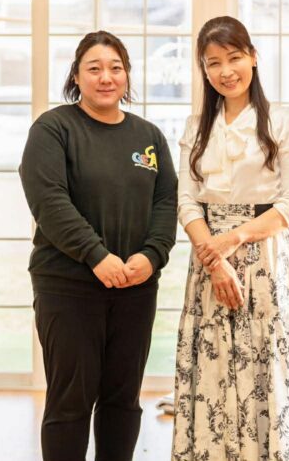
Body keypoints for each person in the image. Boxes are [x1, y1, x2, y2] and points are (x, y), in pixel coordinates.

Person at [171, 16, 289, 461]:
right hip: (209, 265)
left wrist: (232, 240)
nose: (226, 71)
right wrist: (215, 259)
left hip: (266, 260)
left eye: (234, 58)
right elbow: (187, 202)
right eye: (213, 63)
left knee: (267, 366)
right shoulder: (195, 126)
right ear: (204, 70)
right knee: (214, 368)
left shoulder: (284, 120)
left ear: (253, 58)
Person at [20, 31, 177, 461]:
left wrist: (152, 256)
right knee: (70, 401)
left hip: (135, 287)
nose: (106, 77)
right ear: (76, 76)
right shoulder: (53, 129)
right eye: (94, 68)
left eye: (115, 68)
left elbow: (166, 202)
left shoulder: (149, 136)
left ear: (127, 75)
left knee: (123, 399)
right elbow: (49, 201)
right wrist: (97, 256)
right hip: (68, 287)